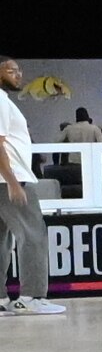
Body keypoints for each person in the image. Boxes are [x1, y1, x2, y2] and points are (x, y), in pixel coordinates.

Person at [0, 60, 52, 316]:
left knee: (1, 241)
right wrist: (12, 181)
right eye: (11, 70)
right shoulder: (0, 100)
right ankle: (31, 297)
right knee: (33, 236)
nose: (18, 74)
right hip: (11, 179)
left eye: (19, 70)